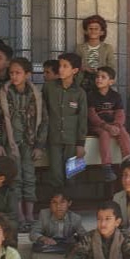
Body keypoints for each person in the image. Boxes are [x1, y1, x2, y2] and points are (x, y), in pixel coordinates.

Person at [0, 58, 47, 231]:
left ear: (27, 74)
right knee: (15, 179)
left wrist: (39, 145)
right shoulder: (4, 93)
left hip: (29, 143)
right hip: (10, 143)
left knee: (29, 178)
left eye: (18, 73)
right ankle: (19, 216)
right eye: (11, 73)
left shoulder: (35, 95)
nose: (14, 76)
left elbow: (44, 121)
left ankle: (30, 216)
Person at [43, 52, 88, 191]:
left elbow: (82, 119)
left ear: (74, 70)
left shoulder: (80, 93)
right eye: (60, 66)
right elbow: (43, 113)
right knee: (55, 174)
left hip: (72, 141)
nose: (61, 69)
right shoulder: (49, 87)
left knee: (72, 174)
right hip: (53, 139)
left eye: (65, 66)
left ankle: (71, 201)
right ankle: (57, 201)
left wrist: (81, 144)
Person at [88, 66, 130, 182]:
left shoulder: (115, 96)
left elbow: (120, 114)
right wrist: (105, 126)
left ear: (111, 81)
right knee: (104, 134)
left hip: (113, 125)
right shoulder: (91, 95)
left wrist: (117, 126)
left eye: (103, 77)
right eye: (97, 77)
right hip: (98, 126)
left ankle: (128, 162)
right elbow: (92, 115)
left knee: (124, 133)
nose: (99, 79)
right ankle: (106, 167)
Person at [76, 15, 116, 92]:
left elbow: (111, 67)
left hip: (101, 81)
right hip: (84, 81)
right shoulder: (80, 48)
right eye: (90, 29)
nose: (93, 31)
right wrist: (84, 68)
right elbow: (75, 65)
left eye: (96, 29)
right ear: (86, 31)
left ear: (102, 32)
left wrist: (100, 71)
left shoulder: (107, 48)